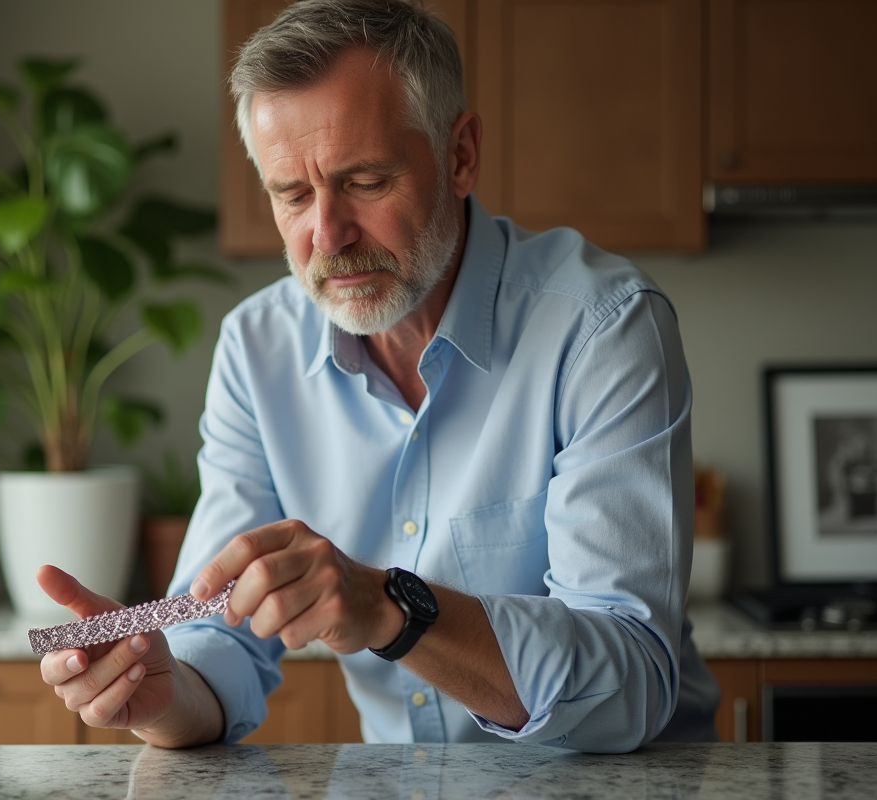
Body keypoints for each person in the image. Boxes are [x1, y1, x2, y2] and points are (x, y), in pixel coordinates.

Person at [38, 0, 720, 752]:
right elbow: (219, 637)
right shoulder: (257, 350)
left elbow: (630, 686)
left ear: (460, 156)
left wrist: (391, 608)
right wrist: (161, 696)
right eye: (293, 195)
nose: (327, 235)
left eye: (364, 181)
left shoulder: (603, 328)